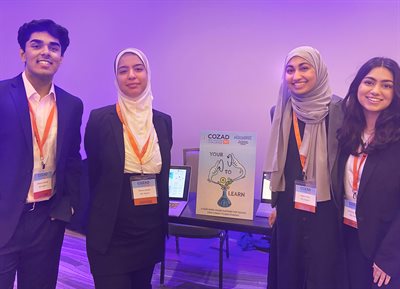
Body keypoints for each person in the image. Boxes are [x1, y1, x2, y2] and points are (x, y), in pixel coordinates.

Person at [0, 19, 83, 289]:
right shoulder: (1, 94)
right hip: (4, 216)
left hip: (47, 219)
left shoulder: (71, 105)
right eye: (36, 45)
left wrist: (68, 204)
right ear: (23, 53)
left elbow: (71, 159)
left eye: (54, 47)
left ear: (60, 57)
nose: (45, 52)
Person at [85, 48, 172, 289]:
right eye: (123, 71)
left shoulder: (163, 122)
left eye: (138, 68)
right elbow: (93, 174)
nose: (131, 75)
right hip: (111, 232)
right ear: (116, 77)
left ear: (148, 73)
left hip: (148, 231)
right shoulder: (100, 119)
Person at [265, 46, 343, 289]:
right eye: (290, 70)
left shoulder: (340, 110)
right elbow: (281, 162)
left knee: (322, 273)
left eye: (304, 68)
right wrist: (276, 204)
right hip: (290, 207)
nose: (296, 76)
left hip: (327, 209)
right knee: (289, 272)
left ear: (318, 70)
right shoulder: (279, 111)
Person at [335, 57, 400, 289]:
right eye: (369, 82)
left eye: (386, 85)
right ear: (357, 86)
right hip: (345, 237)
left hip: (381, 248)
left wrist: (391, 257)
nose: (375, 90)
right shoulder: (346, 132)